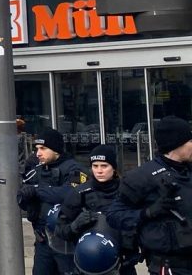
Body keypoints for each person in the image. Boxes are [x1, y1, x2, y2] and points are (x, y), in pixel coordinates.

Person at [107, 116, 192, 275]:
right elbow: (114, 215)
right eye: (191, 141)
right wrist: (148, 212)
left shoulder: (187, 171)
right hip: (169, 265)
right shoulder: (141, 177)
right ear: (177, 144)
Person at [57, 145, 136, 275]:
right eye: (95, 166)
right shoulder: (80, 193)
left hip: (123, 263)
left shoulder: (127, 191)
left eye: (104, 166)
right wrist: (75, 225)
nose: (99, 171)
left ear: (114, 168)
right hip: (89, 263)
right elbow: (60, 230)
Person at [18, 128, 86, 275]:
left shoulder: (75, 169)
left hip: (66, 241)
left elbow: (70, 194)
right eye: (37, 149)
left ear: (56, 150)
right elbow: (23, 198)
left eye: (43, 148)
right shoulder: (36, 170)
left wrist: (37, 190)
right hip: (42, 240)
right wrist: (26, 196)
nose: (38, 153)